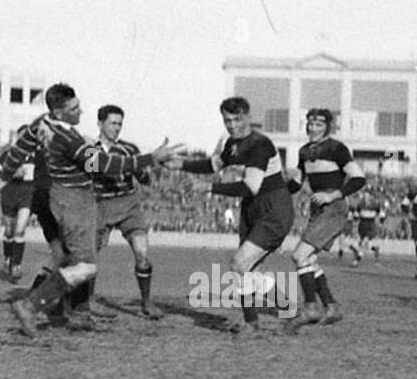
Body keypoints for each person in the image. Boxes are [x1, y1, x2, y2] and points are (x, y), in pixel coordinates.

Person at [10, 84, 179, 336]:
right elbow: (103, 164)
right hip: (75, 201)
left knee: (68, 258)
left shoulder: (43, 123)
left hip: (66, 197)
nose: (80, 111)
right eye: (74, 108)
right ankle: (31, 305)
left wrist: (3, 172)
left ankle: (69, 311)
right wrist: (150, 158)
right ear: (58, 112)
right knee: (86, 267)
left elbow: (23, 143)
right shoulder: (69, 139)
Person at [164, 96, 293, 339]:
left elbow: (250, 186)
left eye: (237, 119)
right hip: (252, 209)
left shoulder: (259, 144)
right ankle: (288, 309)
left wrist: (209, 188)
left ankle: (252, 325)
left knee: (239, 264)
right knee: (250, 270)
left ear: (248, 116)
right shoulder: (232, 143)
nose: (232, 125)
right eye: (227, 120)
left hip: (273, 208)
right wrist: (179, 165)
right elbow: (213, 165)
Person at [285, 108, 365, 327]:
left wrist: (333, 195)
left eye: (319, 125)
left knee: (299, 255)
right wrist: (275, 190)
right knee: (308, 260)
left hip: (334, 208)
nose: (313, 128)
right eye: (310, 124)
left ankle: (311, 307)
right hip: (318, 209)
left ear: (327, 127)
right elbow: (297, 182)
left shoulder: (337, 149)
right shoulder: (303, 151)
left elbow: (359, 178)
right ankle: (331, 307)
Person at [92, 104, 162, 319]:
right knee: (89, 258)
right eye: (112, 123)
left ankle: (147, 302)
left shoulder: (129, 149)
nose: (117, 128)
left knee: (142, 254)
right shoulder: (88, 150)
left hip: (128, 204)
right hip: (99, 204)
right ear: (100, 123)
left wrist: (155, 166)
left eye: (120, 124)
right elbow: (104, 167)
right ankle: (88, 300)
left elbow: (146, 179)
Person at [0, 123, 43, 282]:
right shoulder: (8, 154)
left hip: (27, 192)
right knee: (9, 231)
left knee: (20, 230)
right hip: (9, 193)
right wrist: (10, 171)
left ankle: (16, 265)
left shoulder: (37, 155)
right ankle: (8, 259)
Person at [352, 196, 385, 263]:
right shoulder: (360, 205)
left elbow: (382, 215)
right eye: (365, 198)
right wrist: (355, 225)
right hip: (362, 225)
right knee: (364, 244)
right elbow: (356, 216)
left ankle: (357, 260)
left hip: (370, 225)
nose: (366, 199)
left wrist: (381, 224)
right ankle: (375, 248)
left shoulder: (375, 205)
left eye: (368, 198)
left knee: (363, 243)